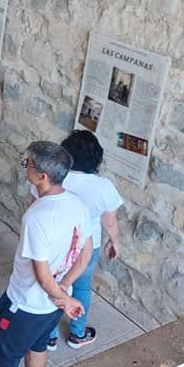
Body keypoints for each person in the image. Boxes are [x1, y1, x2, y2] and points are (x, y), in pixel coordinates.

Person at [0, 141, 93, 367]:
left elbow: (41, 275)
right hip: (52, 305)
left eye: (28, 164)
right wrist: (64, 290)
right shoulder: (78, 204)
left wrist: (63, 299)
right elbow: (85, 253)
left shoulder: (37, 217)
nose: (25, 167)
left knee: (3, 358)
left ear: (42, 176)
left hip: (25, 304)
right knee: (39, 344)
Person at [48, 129, 123, 350]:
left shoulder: (54, 177)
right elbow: (110, 221)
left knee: (53, 284)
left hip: (55, 242)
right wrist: (115, 241)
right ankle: (77, 333)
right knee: (81, 287)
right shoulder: (103, 187)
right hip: (86, 246)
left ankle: (49, 334)